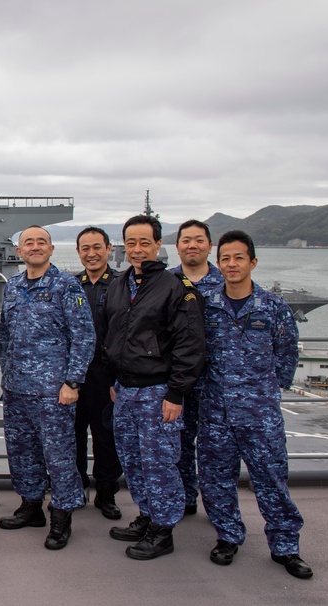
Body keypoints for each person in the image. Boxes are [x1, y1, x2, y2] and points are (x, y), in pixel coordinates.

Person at [199, 230, 312, 579]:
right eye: (226, 259)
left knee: (271, 479)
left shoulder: (274, 307)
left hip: (259, 413)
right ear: (218, 264)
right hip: (215, 410)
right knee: (217, 479)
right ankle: (228, 536)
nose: (232, 264)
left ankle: (285, 546)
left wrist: (263, 391)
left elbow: (287, 355)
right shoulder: (207, 304)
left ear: (252, 262)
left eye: (239, 258)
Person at [102, 214, 205, 560]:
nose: (137, 249)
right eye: (131, 242)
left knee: (159, 463)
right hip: (126, 390)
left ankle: (163, 529)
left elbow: (189, 344)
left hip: (158, 392)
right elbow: (112, 334)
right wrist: (116, 380)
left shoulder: (176, 287)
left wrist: (176, 393)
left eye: (145, 242)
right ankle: (147, 515)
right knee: (132, 460)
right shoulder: (118, 284)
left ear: (159, 245)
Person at [0, 226, 94, 551]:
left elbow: (84, 336)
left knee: (60, 457)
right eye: (28, 243)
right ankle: (31, 506)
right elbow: (6, 337)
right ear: (19, 251)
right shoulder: (12, 287)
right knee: (23, 452)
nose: (35, 247)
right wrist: (6, 377)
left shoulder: (67, 286)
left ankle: (62, 517)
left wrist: (72, 381)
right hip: (17, 389)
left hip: (54, 392)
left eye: (41, 242)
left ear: (51, 249)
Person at [169, 219, 223, 517]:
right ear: (177, 247)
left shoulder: (226, 282)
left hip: (216, 384)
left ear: (209, 246)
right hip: (176, 382)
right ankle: (185, 500)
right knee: (177, 445)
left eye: (199, 240)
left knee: (215, 451)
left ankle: (219, 513)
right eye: (186, 240)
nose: (192, 245)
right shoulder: (164, 283)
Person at [74, 226, 122, 519]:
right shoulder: (70, 286)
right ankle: (76, 488)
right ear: (78, 252)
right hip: (75, 377)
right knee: (73, 435)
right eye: (85, 248)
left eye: (97, 247)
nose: (91, 254)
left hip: (107, 377)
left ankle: (106, 493)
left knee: (107, 437)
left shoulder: (122, 285)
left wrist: (119, 379)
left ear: (108, 249)